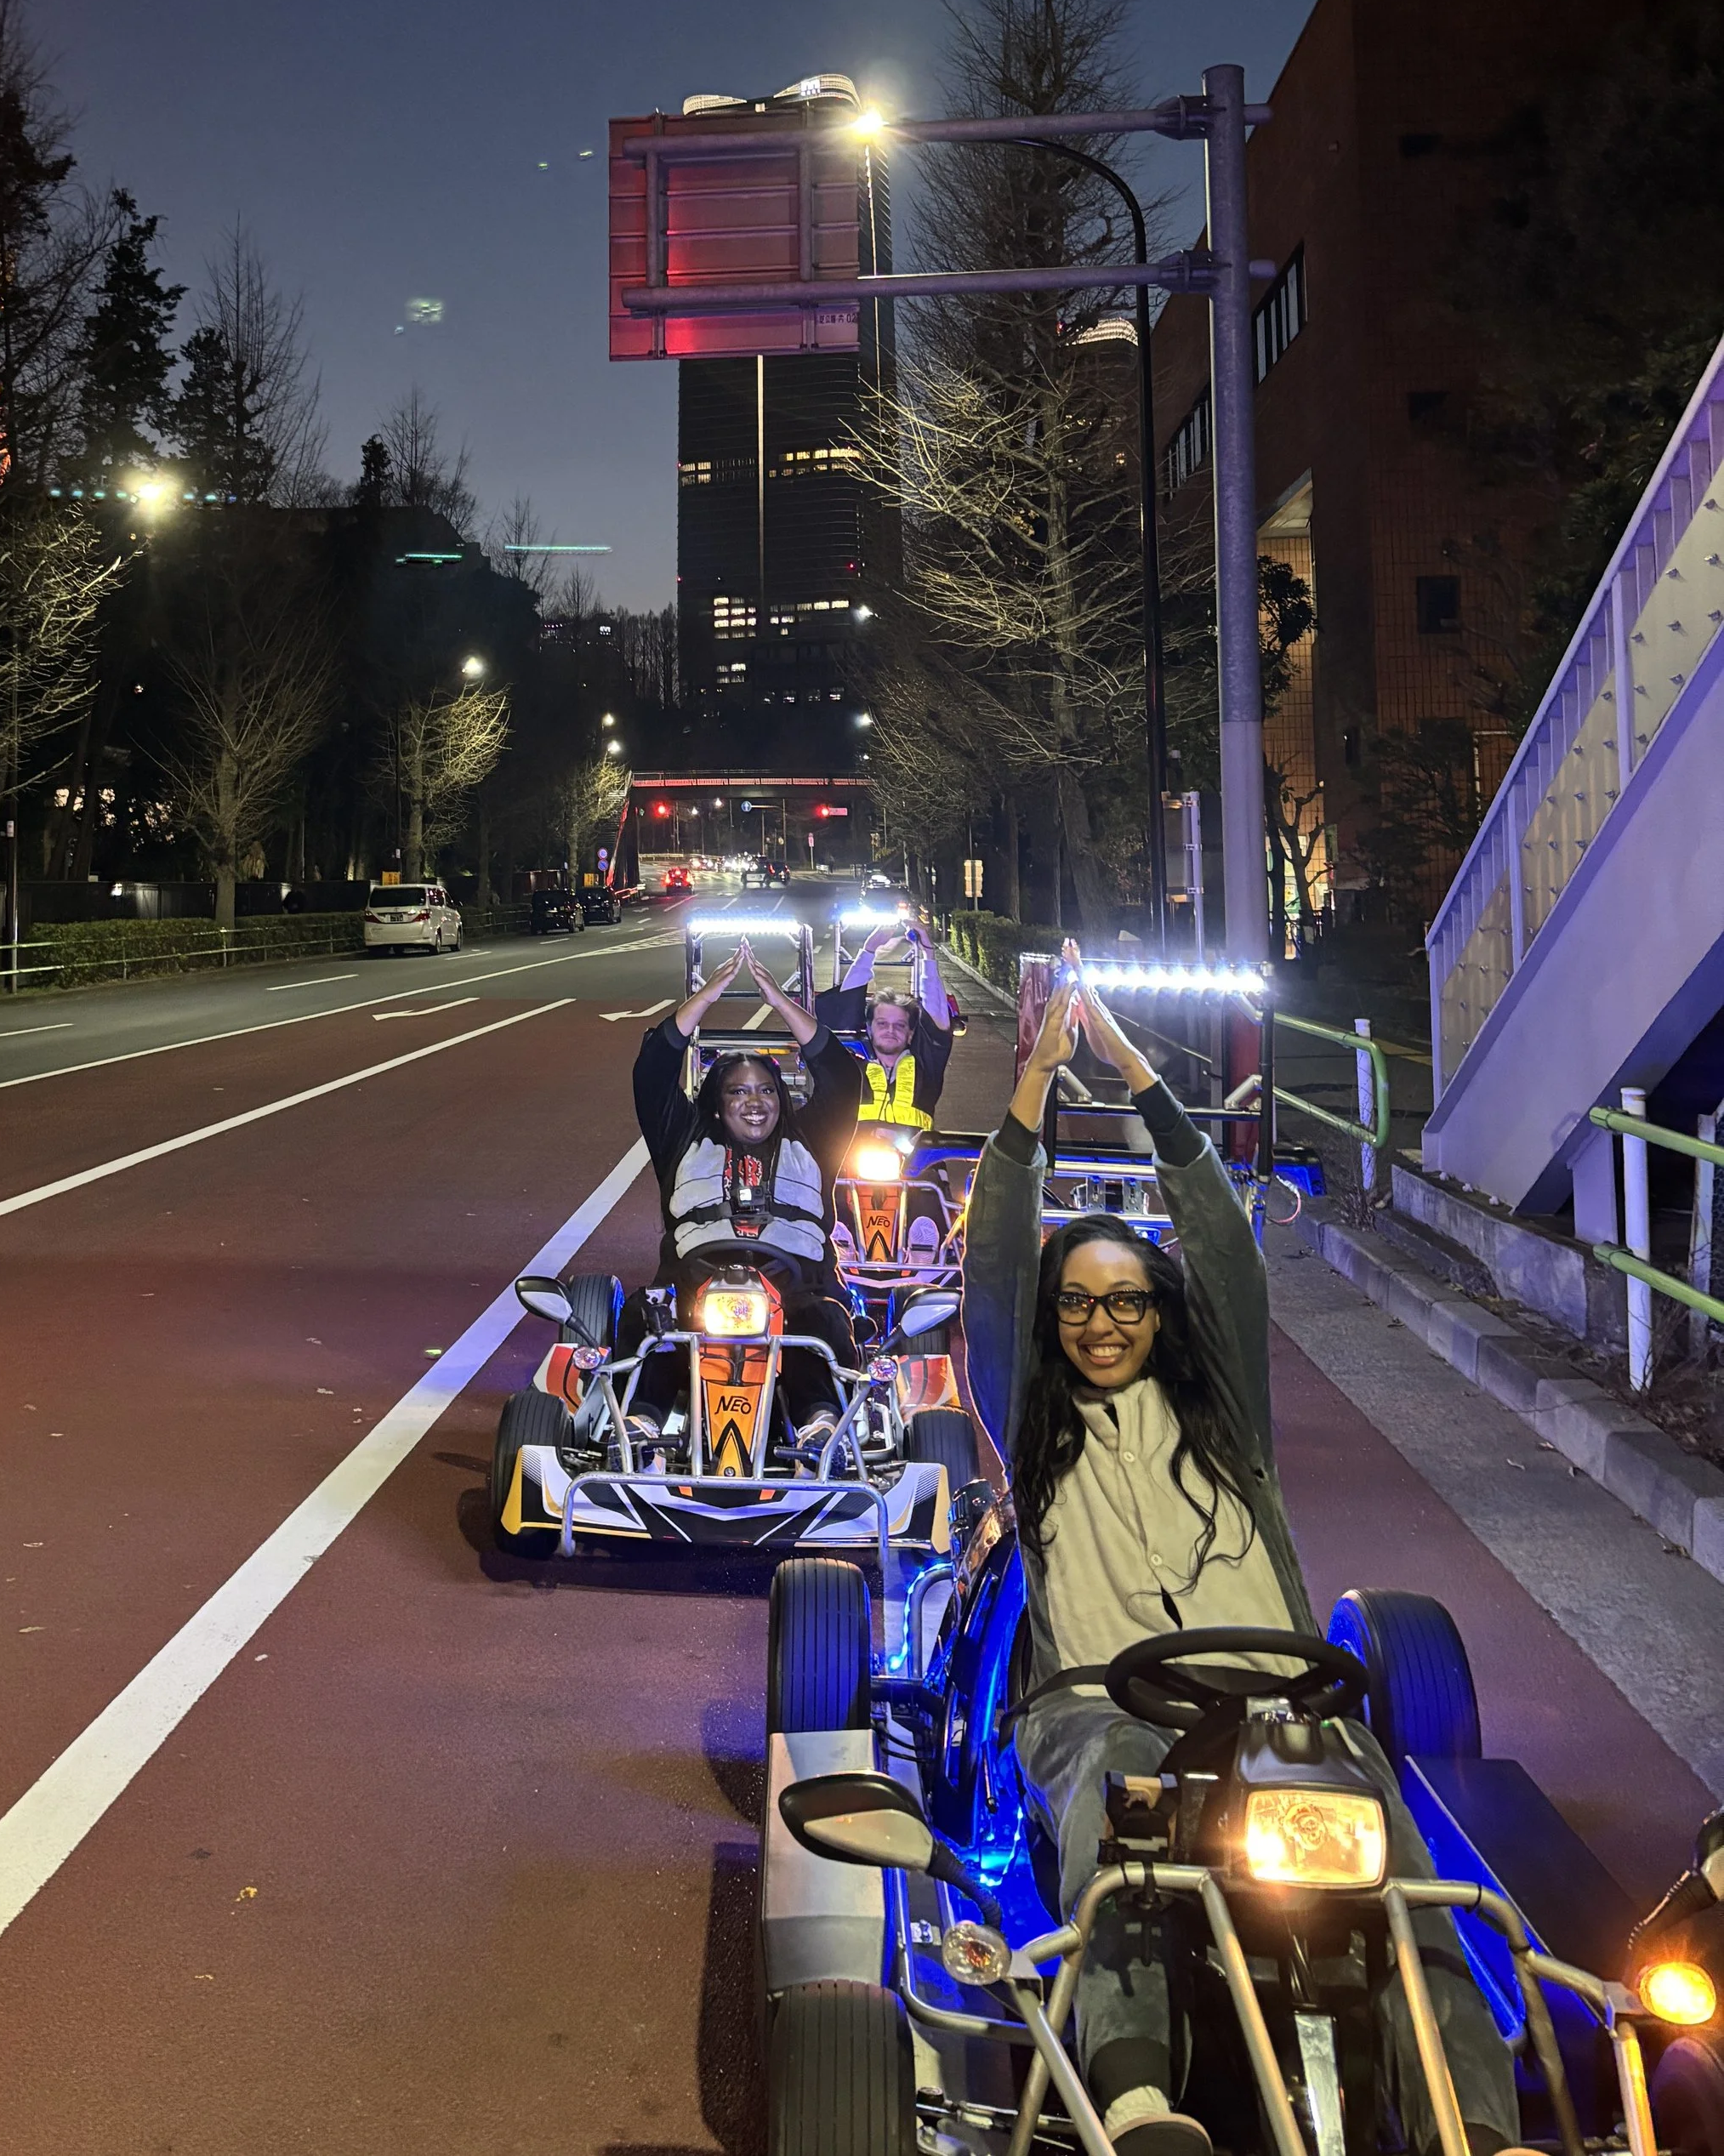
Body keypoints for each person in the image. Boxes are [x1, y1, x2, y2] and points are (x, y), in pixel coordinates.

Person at [961, 946, 1521, 2156]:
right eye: (1077, 1303)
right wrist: (1034, 1093)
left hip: (1279, 1707)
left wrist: (1133, 1074)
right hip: (1099, 1708)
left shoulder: (1230, 1431)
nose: (1100, 1323)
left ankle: (1471, 2123)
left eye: (1126, 1300)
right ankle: (1136, 2100)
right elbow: (996, 1264)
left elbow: (1222, 1244)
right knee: (1124, 1829)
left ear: (1161, 1313)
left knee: (1411, 1887)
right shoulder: (1034, 1429)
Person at [628, 936, 864, 1451]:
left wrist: (780, 1002)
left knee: (820, 1319)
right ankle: (641, 1423)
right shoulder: (685, 1140)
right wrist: (709, 994)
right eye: (738, 1090)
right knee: (651, 1314)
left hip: (797, 1290)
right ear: (717, 1102)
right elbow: (652, 1071)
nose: (754, 1102)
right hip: (695, 1288)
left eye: (766, 1090)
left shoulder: (811, 1142)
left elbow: (844, 1078)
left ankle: (819, 1425)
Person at [815, 923, 956, 1135]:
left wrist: (928, 952)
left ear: (910, 1034)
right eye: (882, 1023)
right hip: (854, 1160)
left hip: (915, 1163)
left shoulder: (926, 1066)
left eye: (900, 1025)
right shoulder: (852, 1066)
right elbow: (844, 1011)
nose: (891, 1030)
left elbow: (936, 1015)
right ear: (869, 1029)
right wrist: (869, 949)